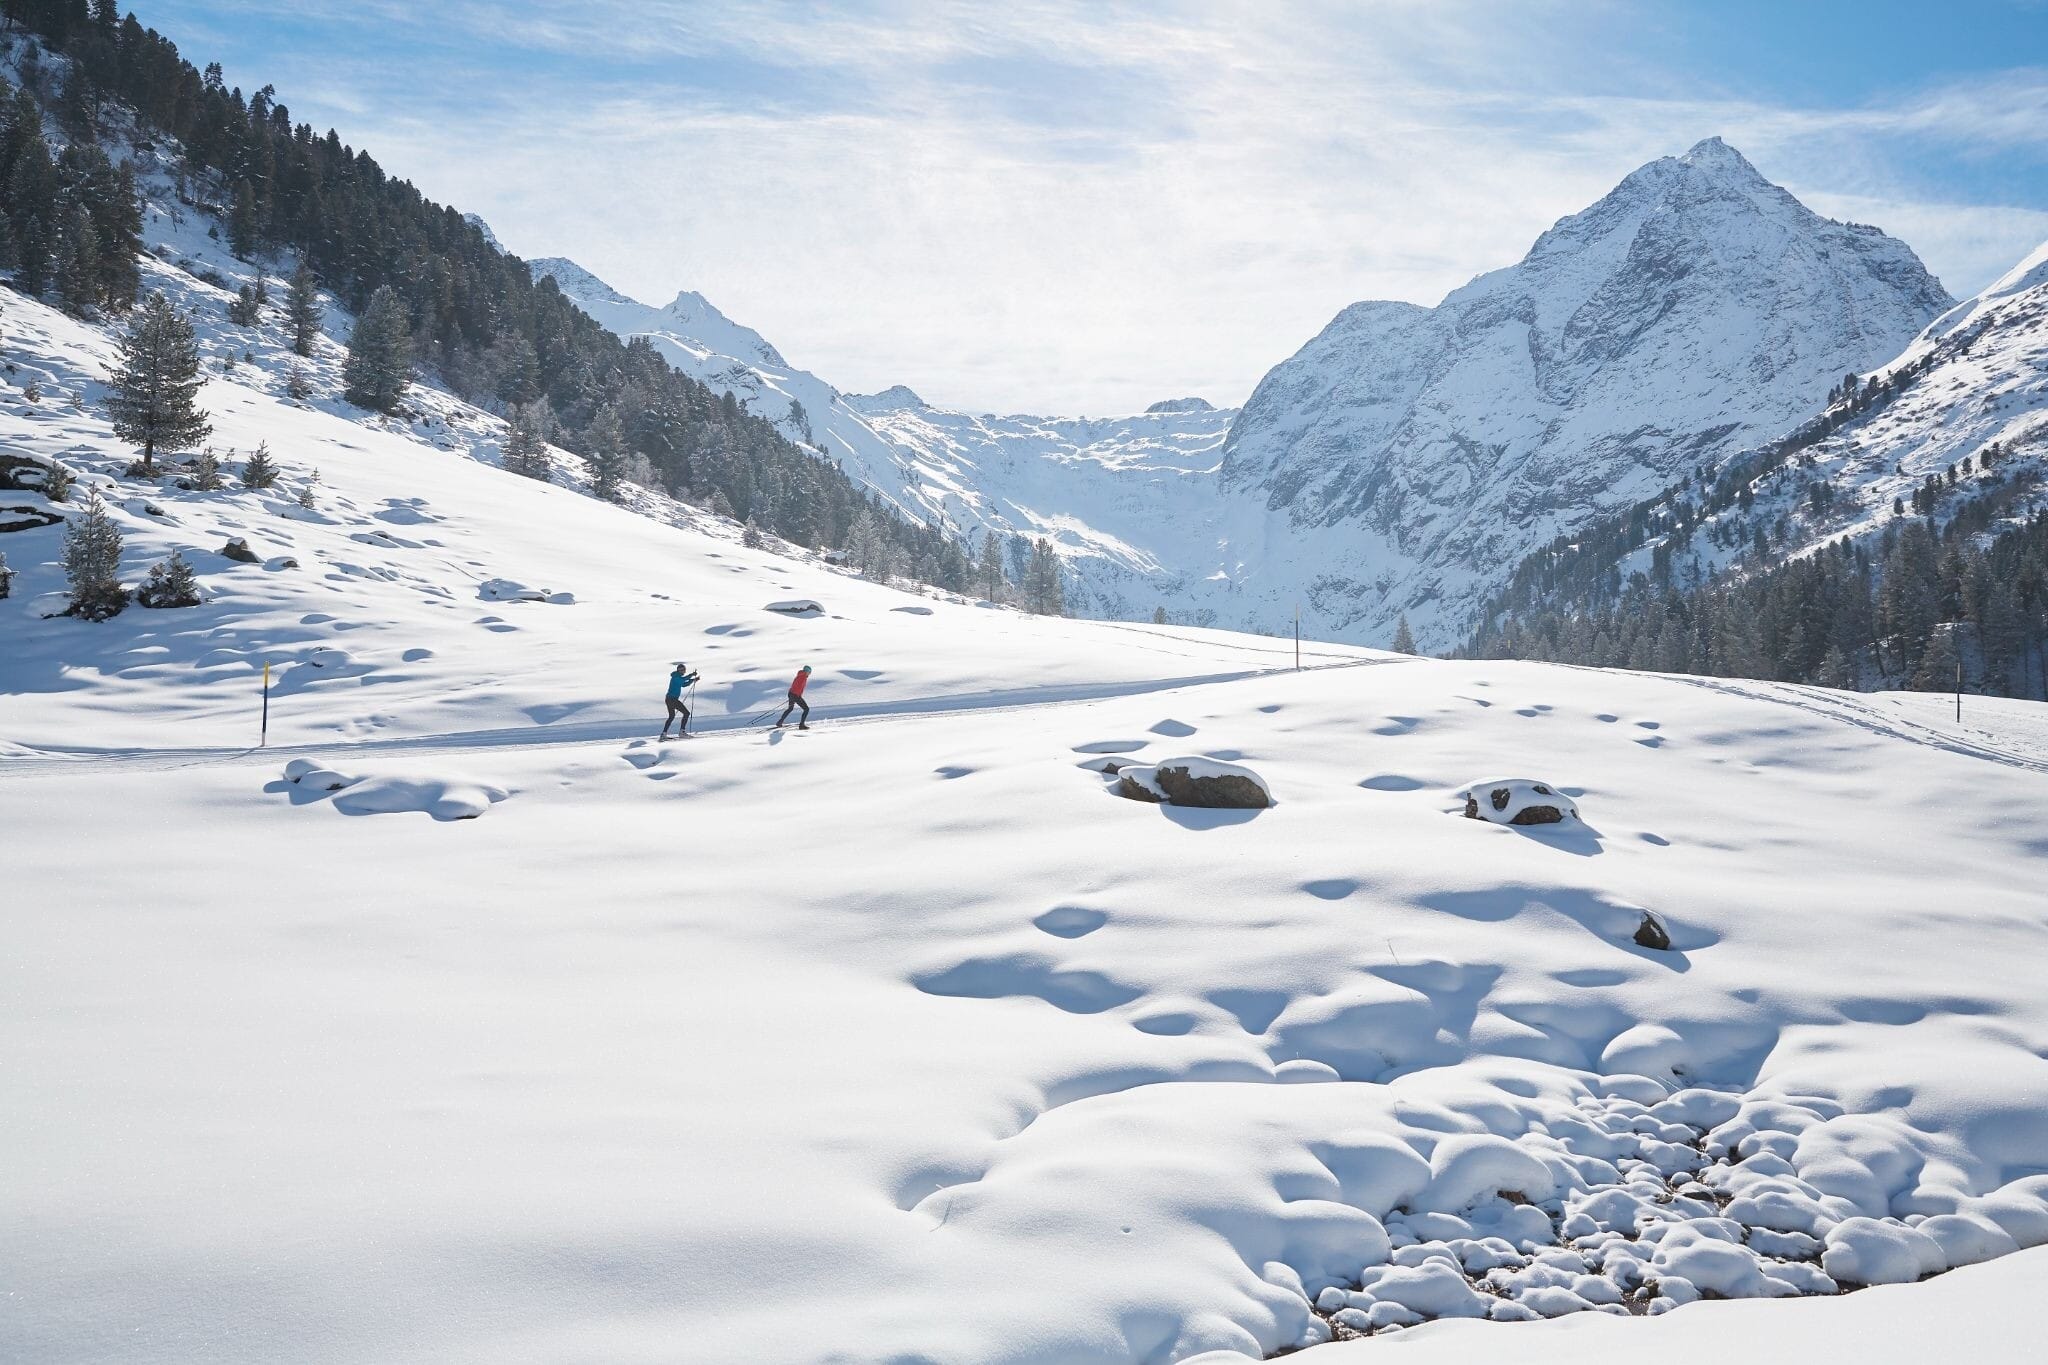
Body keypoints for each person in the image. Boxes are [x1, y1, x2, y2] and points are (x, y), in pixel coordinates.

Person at [661, 661, 699, 738]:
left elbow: (684, 684)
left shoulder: (678, 677)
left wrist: (693, 680)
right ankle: (682, 732)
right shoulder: (676, 677)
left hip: (669, 699)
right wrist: (691, 675)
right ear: (678, 670)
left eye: (683, 670)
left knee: (671, 716)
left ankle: (663, 734)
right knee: (686, 713)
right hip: (672, 699)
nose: (682, 671)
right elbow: (683, 680)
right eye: (681, 670)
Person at [775, 664, 813, 729]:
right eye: (809, 672)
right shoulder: (803, 676)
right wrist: (796, 697)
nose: (810, 674)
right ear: (807, 671)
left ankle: (780, 722)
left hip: (791, 693)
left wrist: (792, 696)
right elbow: (798, 687)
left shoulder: (800, 675)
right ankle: (801, 725)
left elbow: (796, 686)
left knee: (790, 708)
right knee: (806, 709)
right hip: (795, 695)